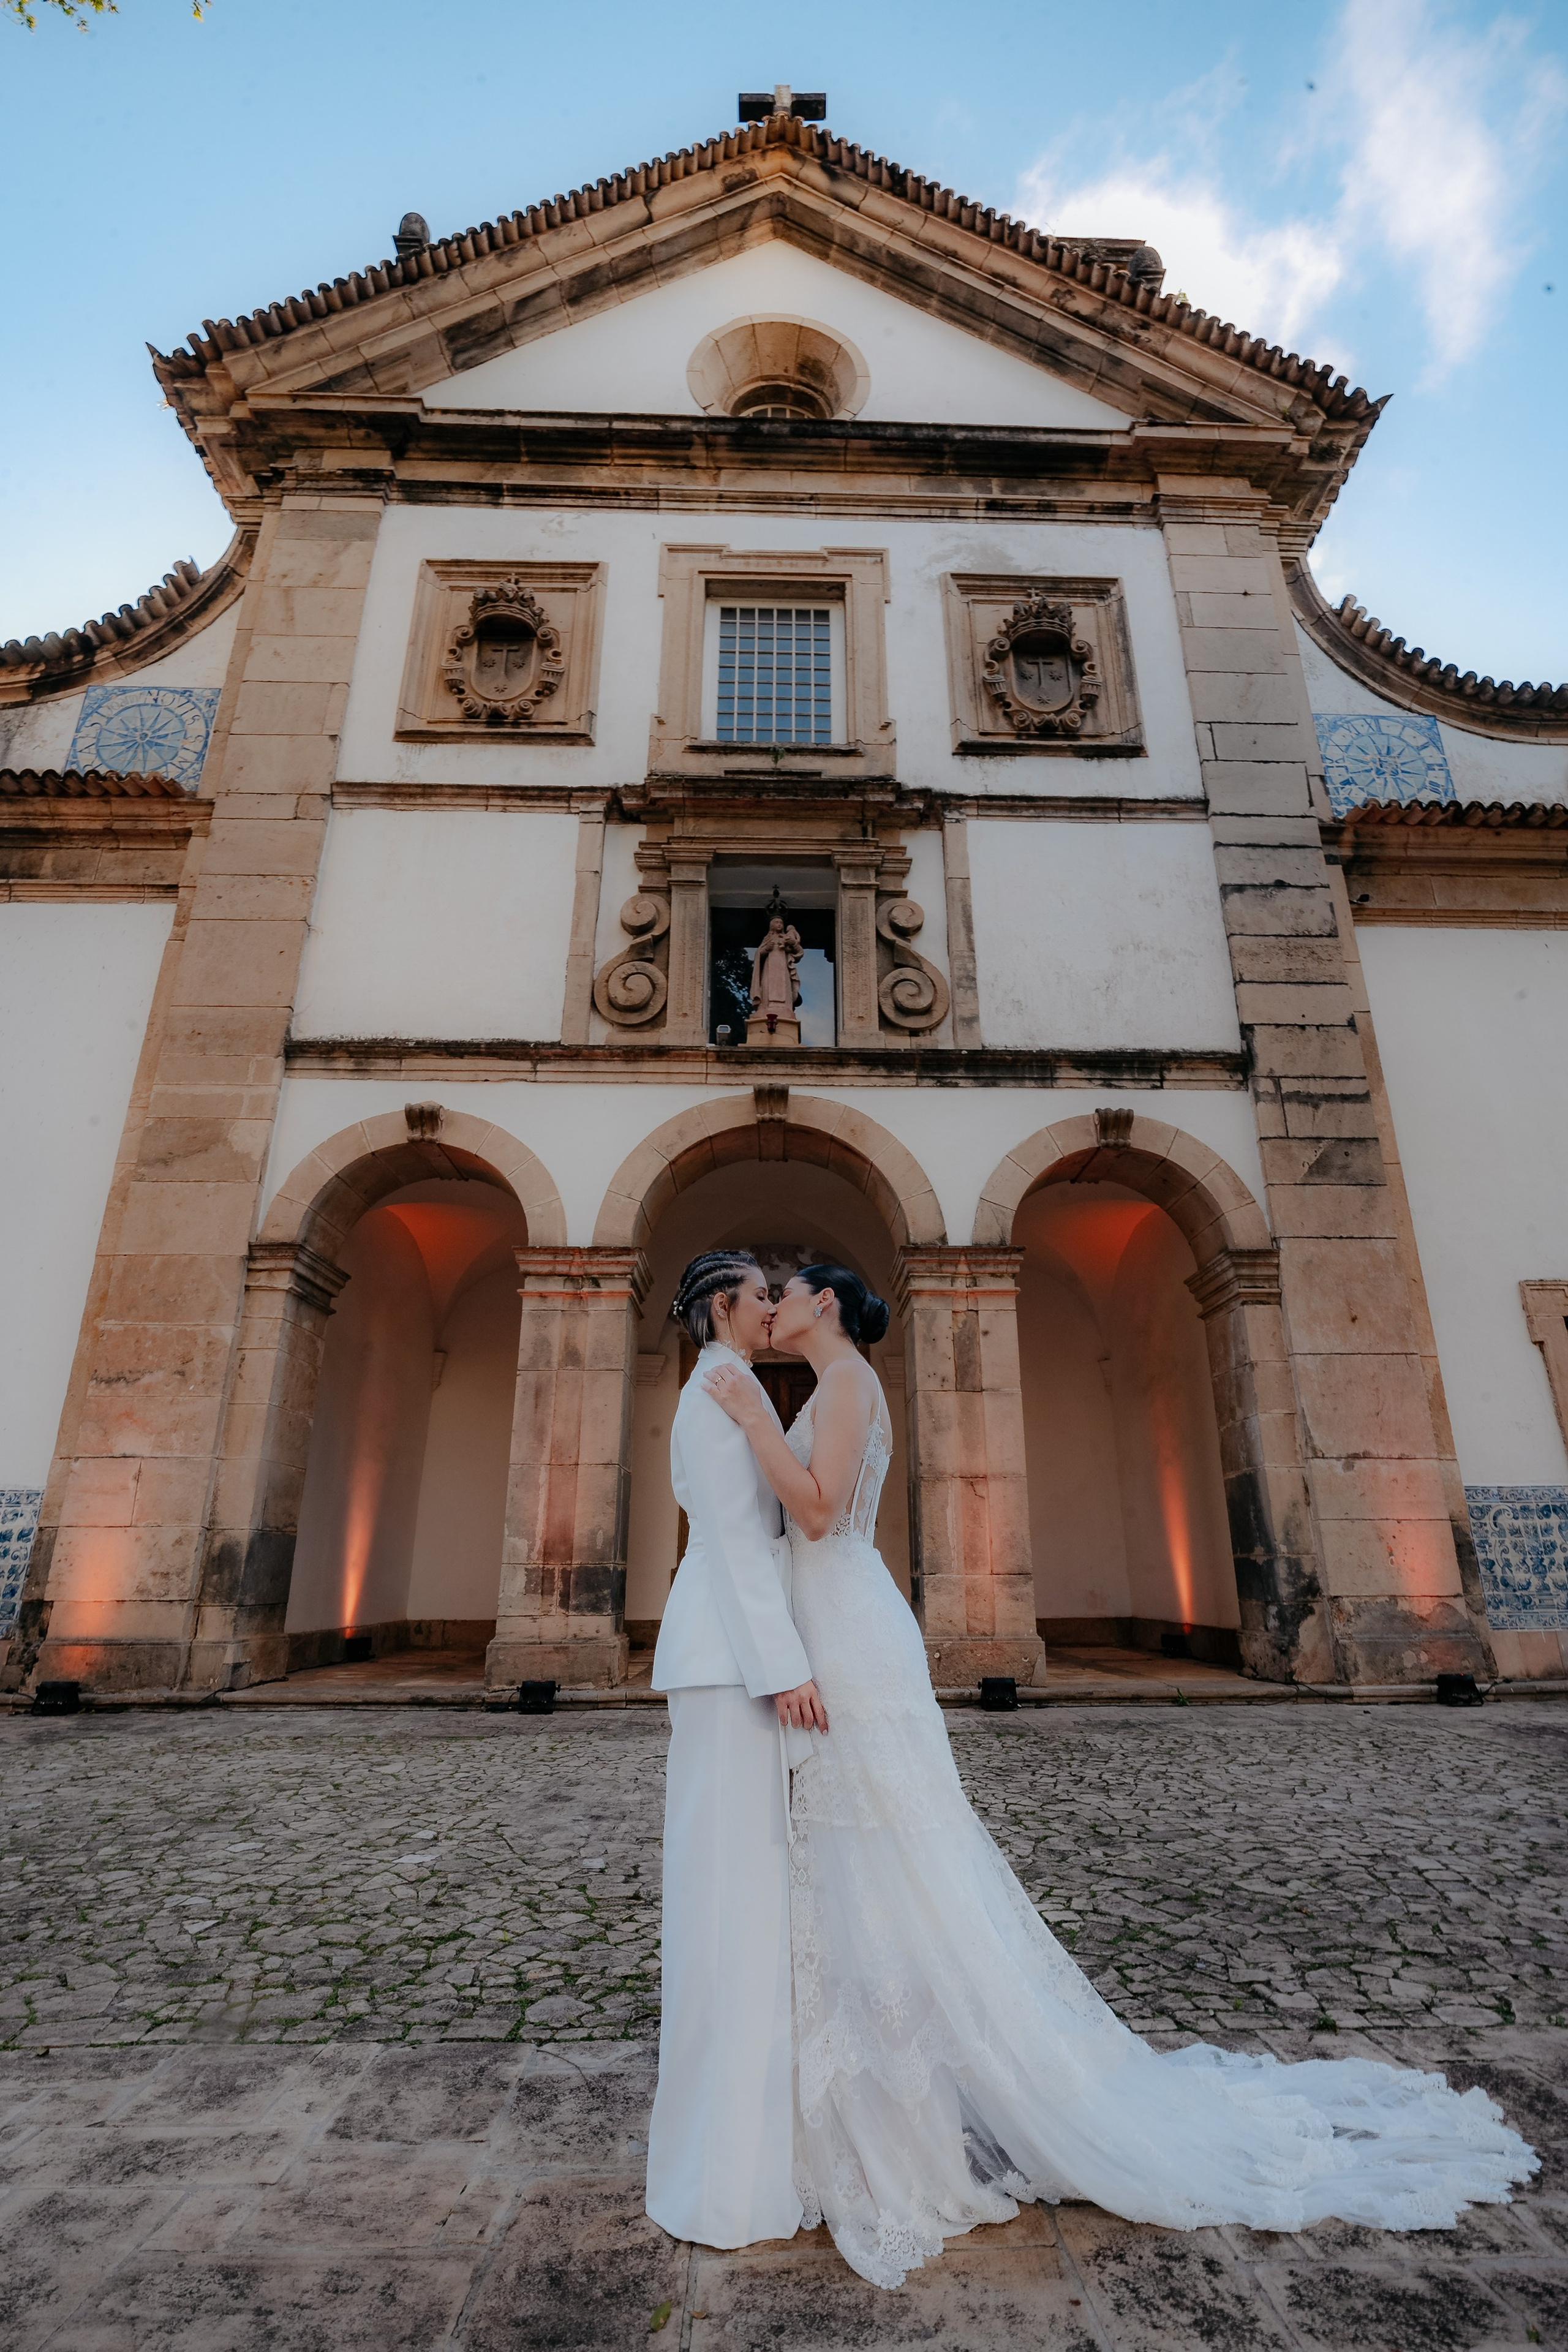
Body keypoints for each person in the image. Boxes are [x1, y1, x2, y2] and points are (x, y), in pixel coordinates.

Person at [703, 1262, 1539, 2291]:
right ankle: (881, 2096)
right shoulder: (838, 1386)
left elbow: (822, 1514)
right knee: (871, 1857)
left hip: (850, 1630)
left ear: (825, 1303)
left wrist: (748, 1417)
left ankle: (908, 2104)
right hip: (838, 1624)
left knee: (893, 1853)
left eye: (785, 1290)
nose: (772, 1302)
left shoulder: (840, 1386)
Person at [644, 1250, 828, 2252]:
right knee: (728, 1899)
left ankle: (749, 2149)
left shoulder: (731, 1387)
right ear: (724, 1306)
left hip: (731, 1654)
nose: (771, 1309)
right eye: (761, 1296)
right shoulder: (721, 1387)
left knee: (746, 1898)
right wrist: (784, 1666)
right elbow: (731, 1538)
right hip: (730, 1660)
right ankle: (723, 2176)